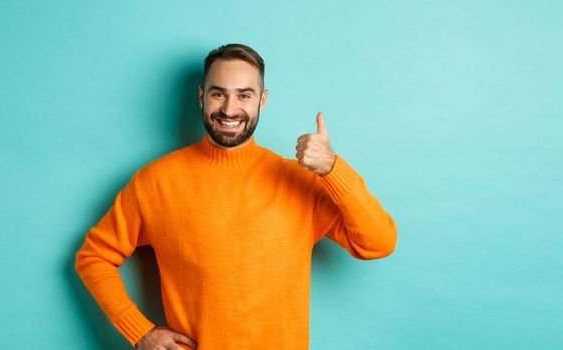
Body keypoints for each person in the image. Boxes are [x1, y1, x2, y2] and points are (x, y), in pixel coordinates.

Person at [74, 43, 397, 350]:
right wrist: (139, 331)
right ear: (201, 96)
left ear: (263, 100)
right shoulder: (155, 182)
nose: (229, 109)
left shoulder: (300, 181)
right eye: (218, 94)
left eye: (244, 95)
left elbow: (378, 243)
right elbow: (94, 257)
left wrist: (332, 169)